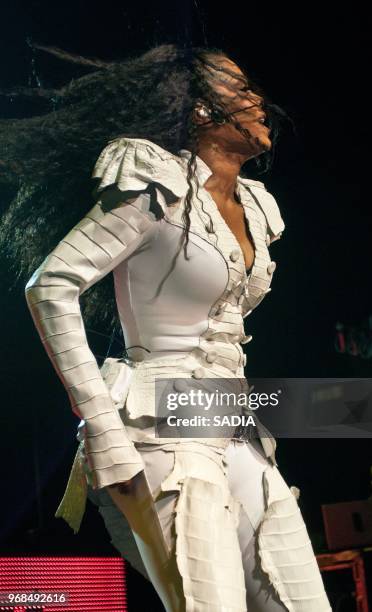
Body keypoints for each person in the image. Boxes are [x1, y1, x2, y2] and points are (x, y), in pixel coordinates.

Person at [2, 43, 331, 611]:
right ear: (202, 110)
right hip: (160, 433)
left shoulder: (254, 204)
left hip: (235, 428)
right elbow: (51, 285)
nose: (259, 101)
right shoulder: (155, 185)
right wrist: (102, 426)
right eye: (240, 88)